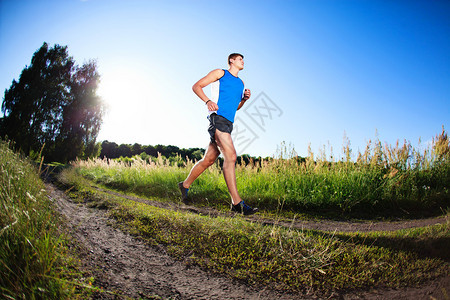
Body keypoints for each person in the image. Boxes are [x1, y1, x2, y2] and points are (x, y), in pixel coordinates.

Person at [178, 53, 258, 215]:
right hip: (217, 119)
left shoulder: (240, 83)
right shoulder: (221, 73)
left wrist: (244, 100)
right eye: (240, 59)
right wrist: (208, 101)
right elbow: (196, 86)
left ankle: (185, 185)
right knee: (231, 156)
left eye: (243, 60)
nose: (243, 61)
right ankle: (237, 203)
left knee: (208, 160)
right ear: (231, 61)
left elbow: (235, 107)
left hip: (228, 123)